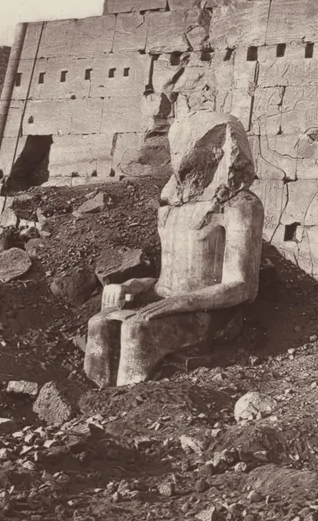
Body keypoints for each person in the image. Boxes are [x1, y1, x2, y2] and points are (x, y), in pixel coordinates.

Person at [84, 112, 264, 386]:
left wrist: (181, 302)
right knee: (99, 323)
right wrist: (132, 285)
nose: (178, 159)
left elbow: (242, 286)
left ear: (218, 150)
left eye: (187, 148)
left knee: (136, 329)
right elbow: (168, 278)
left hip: (213, 314)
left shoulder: (240, 205)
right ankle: (98, 400)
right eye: (176, 149)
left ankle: (131, 399)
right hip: (168, 302)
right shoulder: (171, 209)